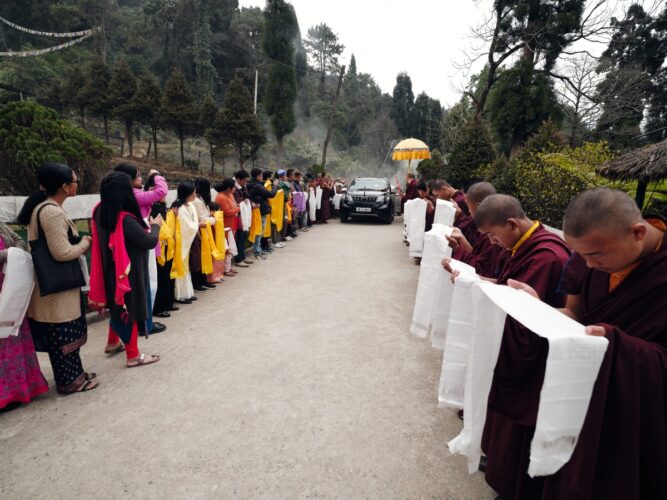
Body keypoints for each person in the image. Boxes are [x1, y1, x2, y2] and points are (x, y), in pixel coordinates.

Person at [505, 188, 667, 500]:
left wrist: (618, 346)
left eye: (596, 255)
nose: (588, 266)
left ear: (636, 232)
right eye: (581, 255)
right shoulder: (588, 260)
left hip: (635, 410)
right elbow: (576, 315)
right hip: (582, 389)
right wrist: (538, 307)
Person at [469, 194, 570, 500]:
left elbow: (529, 320)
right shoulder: (522, 245)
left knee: (519, 433)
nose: (492, 242)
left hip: (531, 362)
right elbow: (509, 289)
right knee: (502, 429)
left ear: (511, 223)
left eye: (492, 235)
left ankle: (516, 490)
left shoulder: (546, 255)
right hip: (512, 348)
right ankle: (502, 473)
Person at [18, 162, 98, 393]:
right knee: (63, 336)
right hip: (57, 290)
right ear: (64, 187)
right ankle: (69, 382)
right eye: (75, 181)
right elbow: (62, 253)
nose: (76, 184)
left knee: (66, 334)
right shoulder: (51, 212)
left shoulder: (46, 207)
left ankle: (76, 374)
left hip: (57, 286)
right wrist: (85, 243)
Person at [90, 172, 161, 368]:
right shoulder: (126, 219)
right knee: (129, 311)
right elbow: (148, 241)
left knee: (116, 307)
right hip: (128, 273)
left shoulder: (98, 211)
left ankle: (113, 342)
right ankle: (133, 355)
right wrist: (155, 227)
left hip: (108, 269)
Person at [113, 163, 168, 334]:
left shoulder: (126, 196)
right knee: (148, 285)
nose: (141, 178)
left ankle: (145, 322)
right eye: (138, 176)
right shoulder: (134, 196)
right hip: (143, 243)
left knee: (146, 285)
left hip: (139, 243)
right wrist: (157, 175)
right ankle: (145, 324)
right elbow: (161, 192)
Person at [0, 222, 49, 409]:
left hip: (10, 289)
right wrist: (9, 255)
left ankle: (20, 389)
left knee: (15, 336)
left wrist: (13, 254)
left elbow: (18, 240)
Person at [443, 182, 508, 279]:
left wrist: (457, 248)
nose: (468, 211)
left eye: (468, 206)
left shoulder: (492, 233)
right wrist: (460, 238)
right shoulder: (487, 226)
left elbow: (481, 270)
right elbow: (476, 254)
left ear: (479, 206)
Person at [145, 174, 178, 319]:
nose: (165, 192)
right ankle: (159, 307)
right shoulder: (152, 207)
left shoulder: (161, 207)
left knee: (165, 276)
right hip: (158, 247)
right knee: (159, 277)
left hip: (166, 246)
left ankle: (167, 303)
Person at [172, 183, 199, 304]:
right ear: (187, 194)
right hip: (181, 241)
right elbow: (186, 226)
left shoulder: (190, 206)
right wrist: (197, 225)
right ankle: (180, 295)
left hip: (187, 241)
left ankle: (188, 292)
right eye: (193, 192)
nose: (195, 194)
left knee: (185, 266)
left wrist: (196, 225)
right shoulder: (180, 208)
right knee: (181, 266)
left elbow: (194, 223)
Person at [192, 178, 216, 291]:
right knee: (199, 258)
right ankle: (198, 283)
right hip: (200, 231)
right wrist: (212, 219)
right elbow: (201, 218)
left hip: (204, 230)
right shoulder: (196, 200)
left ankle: (203, 280)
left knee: (204, 257)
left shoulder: (200, 199)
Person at [247, 168, 277, 259]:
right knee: (259, 232)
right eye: (260, 175)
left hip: (253, 210)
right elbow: (271, 194)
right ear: (257, 176)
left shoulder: (249, 184)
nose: (262, 177)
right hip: (260, 211)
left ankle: (258, 250)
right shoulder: (257, 186)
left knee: (257, 231)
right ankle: (257, 251)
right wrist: (275, 186)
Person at [215, 179, 241, 278]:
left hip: (231, 224)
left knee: (230, 245)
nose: (235, 189)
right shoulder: (221, 197)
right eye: (233, 187)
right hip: (225, 225)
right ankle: (225, 269)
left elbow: (233, 207)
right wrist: (239, 208)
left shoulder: (229, 195)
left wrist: (237, 207)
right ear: (228, 188)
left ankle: (228, 267)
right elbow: (227, 212)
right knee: (227, 247)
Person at [233, 170, 253, 268]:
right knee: (239, 238)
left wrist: (249, 202)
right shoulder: (234, 188)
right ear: (237, 179)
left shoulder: (243, 187)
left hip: (244, 215)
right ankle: (238, 259)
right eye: (244, 181)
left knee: (244, 236)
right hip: (238, 216)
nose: (245, 183)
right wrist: (243, 202)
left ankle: (243, 257)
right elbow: (237, 201)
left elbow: (247, 197)